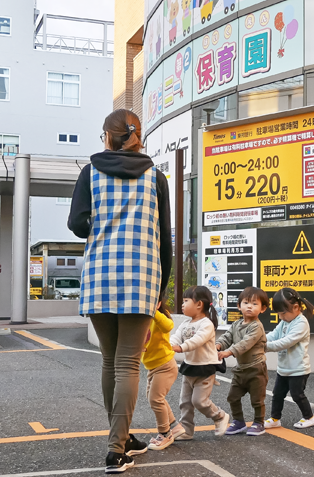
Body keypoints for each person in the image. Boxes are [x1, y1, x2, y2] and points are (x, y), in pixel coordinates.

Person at [68, 109, 172, 474]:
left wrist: (100, 218)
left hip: (99, 275)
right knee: (129, 362)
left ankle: (122, 440)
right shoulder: (156, 177)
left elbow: (77, 224)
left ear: (109, 137)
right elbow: (165, 240)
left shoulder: (90, 172)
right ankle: (117, 448)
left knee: (110, 362)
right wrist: (162, 288)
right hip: (142, 276)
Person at [170, 286, 231, 440]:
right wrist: (168, 346)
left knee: (200, 401)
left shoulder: (207, 324)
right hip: (189, 367)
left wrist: (181, 348)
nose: (182, 305)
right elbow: (176, 337)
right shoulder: (185, 323)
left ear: (199, 304)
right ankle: (187, 430)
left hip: (205, 368)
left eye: (185, 301)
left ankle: (220, 416)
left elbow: (197, 340)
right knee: (185, 402)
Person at [216, 287, 269, 436]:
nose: (250, 306)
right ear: (239, 306)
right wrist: (218, 345)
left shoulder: (257, 326)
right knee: (232, 397)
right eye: (246, 302)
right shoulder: (236, 325)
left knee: (257, 400)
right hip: (240, 369)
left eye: (254, 304)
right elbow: (227, 337)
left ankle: (259, 423)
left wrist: (228, 352)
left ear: (262, 309)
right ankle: (239, 422)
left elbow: (246, 343)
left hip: (256, 368)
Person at [264, 288, 314, 429]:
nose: (281, 317)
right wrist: (260, 340)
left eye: (283, 313)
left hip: (298, 369)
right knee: (277, 394)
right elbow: (274, 335)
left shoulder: (301, 323)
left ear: (295, 307)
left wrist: (263, 347)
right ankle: (275, 418)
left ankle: (309, 417)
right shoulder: (285, 322)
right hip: (284, 368)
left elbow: (285, 342)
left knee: (297, 395)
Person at [141, 296, 185, 451]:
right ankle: (174, 426)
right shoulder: (141, 316)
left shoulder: (160, 315)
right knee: (153, 397)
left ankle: (164, 433)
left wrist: (155, 311)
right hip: (152, 366)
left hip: (165, 365)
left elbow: (168, 326)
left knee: (155, 399)